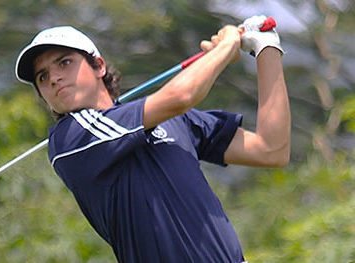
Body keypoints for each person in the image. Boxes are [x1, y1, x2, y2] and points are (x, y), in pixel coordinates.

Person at [15, 15, 290, 263]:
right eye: (43, 76)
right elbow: (181, 97)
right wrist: (225, 48)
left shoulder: (172, 118)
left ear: (98, 65)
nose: (54, 79)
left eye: (64, 62)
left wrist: (266, 47)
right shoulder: (71, 139)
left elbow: (270, 149)